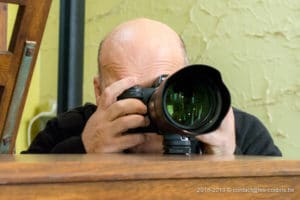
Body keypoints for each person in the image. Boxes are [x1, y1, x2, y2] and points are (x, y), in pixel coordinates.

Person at [22, 18, 281, 156]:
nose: (152, 106)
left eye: (164, 88)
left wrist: (229, 161)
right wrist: (82, 151)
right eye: (132, 92)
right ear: (99, 91)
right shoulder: (69, 131)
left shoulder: (239, 131)